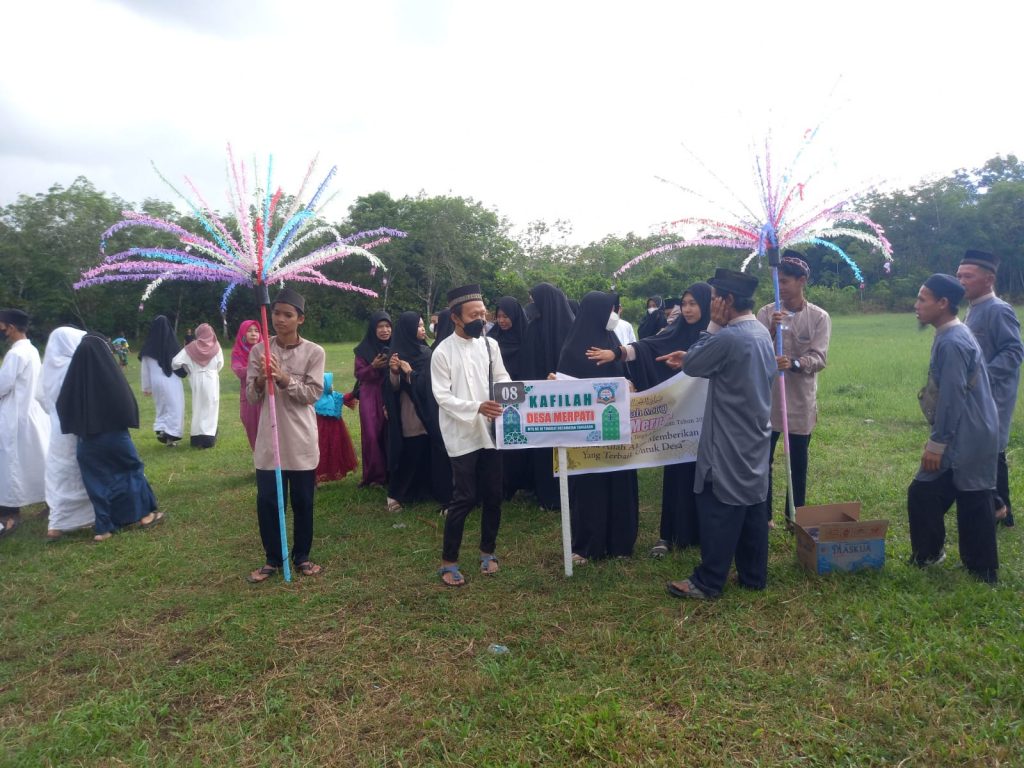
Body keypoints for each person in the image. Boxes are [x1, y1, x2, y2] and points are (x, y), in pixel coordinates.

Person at [660, 269, 776, 600]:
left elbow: (695, 365)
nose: (710, 305)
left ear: (726, 300)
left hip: (728, 437)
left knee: (720, 507)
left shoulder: (728, 336)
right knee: (752, 504)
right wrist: (693, 355)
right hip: (754, 433)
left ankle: (708, 581)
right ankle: (753, 575)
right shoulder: (759, 331)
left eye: (713, 299)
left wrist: (710, 327)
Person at [589, 283, 713, 554]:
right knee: (678, 471)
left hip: (711, 419)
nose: (688, 309)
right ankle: (671, 533)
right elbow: (646, 348)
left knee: (706, 476)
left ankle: (704, 532)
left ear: (706, 305)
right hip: (682, 420)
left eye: (694, 304)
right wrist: (617, 353)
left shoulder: (716, 336)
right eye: (685, 303)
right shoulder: (674, 331)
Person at [908, 274, 999, 583]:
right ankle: (931, 553)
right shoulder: (950, 334)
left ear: (943, 303)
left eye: (922, 299)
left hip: (968, 433)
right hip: (968, 429)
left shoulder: (953, 341)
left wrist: (937, 444)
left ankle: (983, 571)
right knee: (929, 492)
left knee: (972, 497)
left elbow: (952, 397)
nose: (916, 305)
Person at [431, 284, 511, 586]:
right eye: (474, 315)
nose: (481, 319)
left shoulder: (490, 345)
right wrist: (477, 407)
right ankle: (449, 561)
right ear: (455, 317)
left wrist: (508, 396)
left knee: (493, 494)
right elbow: (442, 396)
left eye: (483, 313)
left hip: (491, 430)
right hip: (462, 432)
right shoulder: (442, 352)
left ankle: (487, 551)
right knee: (464, 497)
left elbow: (502, 377)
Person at [246, 288, 326, 583]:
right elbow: (251, 397)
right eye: (276, 313)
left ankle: (301, 556)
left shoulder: (314, 352)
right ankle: (272, 558)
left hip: (300, 438)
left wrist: (283, 378)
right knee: (268, 501)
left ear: (300, 319)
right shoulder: (259, 351)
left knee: (303, 501)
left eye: (287, 315)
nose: (280, 319)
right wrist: (260, 379)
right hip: (270, 440)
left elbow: (312, 394)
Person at [56, 333, 162, 542]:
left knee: (96, 481)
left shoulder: (74, 379)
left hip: (86, 440)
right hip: (114, 435)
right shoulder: (111, 377)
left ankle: (103, 528)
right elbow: (125, 403)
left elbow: (63, 406)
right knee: (131, 470)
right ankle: (144, 515)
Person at [559, 291, 639, 563]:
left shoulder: (612, 342)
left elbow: (627, 376)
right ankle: (587, 545)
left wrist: (629, 384)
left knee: (619, 482)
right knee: (589, 486)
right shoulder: (573, 349)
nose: (613, 315)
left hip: (616, 430)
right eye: (609, 309)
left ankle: (620, 543)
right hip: (586, 435)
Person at [756, 251, 832, 525]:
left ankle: (794, 516)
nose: (780, 287)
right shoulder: (766, 313)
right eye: (777, 281)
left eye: (785, 281)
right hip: (768, 401)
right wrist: (770, 330)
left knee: (798, 462)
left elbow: (819, 358)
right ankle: (763, 516)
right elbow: (754, 351)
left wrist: (795, 363)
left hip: (800, 401)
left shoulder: (819, 317)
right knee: (762, 460)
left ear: (802, 281)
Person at [958, 249, 1024, 527]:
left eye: (968, 276)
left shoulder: (998, 309)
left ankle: (998, 509)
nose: (961, 281)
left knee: (989, 452)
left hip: (993, 398)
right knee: (988, 453)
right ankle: (1001, 510)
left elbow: (1014, 351)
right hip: (975, 398)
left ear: (989, 279)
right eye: (959, 276)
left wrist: (981, 378)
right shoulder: (973, 308)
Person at [520, 282, 576, 510]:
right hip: (541, 401)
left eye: (534, 300)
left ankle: (564, 493)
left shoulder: (571, 329)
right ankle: (547, 493)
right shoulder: (535, 328)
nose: (532, 305)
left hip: (563, 401)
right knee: (544, 445)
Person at [37, 327, 94, 540]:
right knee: (79, 472)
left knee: (60, 476)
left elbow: (40, 397)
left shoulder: (48, 367)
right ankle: (87, 517)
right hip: (75, 428)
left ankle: (57, 524)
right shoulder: (74, 366)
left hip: (56, 430)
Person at [0, 308, 50, 539]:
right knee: (35, 459)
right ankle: (52, 501)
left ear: (10, 327)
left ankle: (9, 513)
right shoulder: (31, 349)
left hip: (15, 415)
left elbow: (3, 385)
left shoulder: (16, 354)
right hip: (30, 412)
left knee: (10, 463)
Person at [383, 311, 436, 512]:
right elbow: (392, 388)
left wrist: (409, 372)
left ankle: (423, 490)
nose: (422, 329)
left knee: (427, 449)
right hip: (410, 410)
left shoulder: (426, 352)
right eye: (419, 326)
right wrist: (395, 371)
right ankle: (395, 494)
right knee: (410, 450)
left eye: (423, 325)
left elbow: (429, 382)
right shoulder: (397, 354)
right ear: (407, 329)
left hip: (428, 408)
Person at [488, 297, 531, 500]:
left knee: (520, 438)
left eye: (506, 316)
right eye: (499, 316)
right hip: (498, 398)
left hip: (522, 398)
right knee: (500, 440)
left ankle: (522, 482)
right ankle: (503, 484)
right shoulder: (491, 339)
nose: (502, 321)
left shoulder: (527, 338)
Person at [354, 311, 391, 487]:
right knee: (372, 435)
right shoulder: (364, 349)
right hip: (370, 395)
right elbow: (359, 374)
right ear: (373, 329)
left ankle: (391, 472)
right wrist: (373, 366)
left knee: (389, 434)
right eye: (380, 327)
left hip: (390, 393)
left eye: (388, 326)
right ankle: (375, 476)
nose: (384, 330)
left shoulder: (397, 344)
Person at [172, 322, 224, 448]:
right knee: (210, 406)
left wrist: (187, 370)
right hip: (211, 377)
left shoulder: (191, 347)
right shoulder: (216, 346)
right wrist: (212, 371)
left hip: (196, 378)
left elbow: (175, 362)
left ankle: (196, 437)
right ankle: (208, 437)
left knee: (198, 406)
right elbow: (220, 363)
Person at [139, 315, 185, 445]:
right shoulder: (173, 346)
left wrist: (146, 387)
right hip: (172, 380)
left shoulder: (148, 348)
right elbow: (181, 365)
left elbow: (145, 370)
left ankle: (161, 428)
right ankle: (171, 435)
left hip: (156, 382)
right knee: (175, 407)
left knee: (161, 407)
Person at [314, 372, 358, 484]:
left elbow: (346, 397)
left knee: (334, 451)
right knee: (321, 453)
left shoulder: (334, 396)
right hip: (321, 435)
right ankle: (316, 476)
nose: (332, 386)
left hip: (335, 433)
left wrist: (356, 391)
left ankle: (331, 472)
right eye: (329, 384)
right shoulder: (316, 400)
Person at [231, 320, 262, 450]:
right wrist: (257, 367)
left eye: (256, 331)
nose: (253, 334)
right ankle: (257, 454)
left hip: (265, 393)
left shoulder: (266, 349)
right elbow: (239, 371)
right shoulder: (238, 352)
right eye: (249, 331)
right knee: (250, 423)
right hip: (248, 394)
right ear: (243, 334)